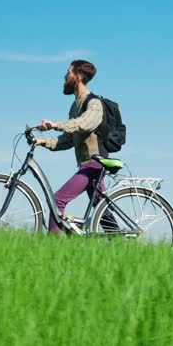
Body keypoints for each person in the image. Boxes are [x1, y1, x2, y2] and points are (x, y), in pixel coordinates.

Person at [35, 59, 108, 236]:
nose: (64, 77)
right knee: (104, 214)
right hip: (87, 165)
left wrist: (55, 125)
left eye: (68, 72)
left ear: (78, 77)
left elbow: (85, 124)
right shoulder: (75, 107)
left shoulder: (94, 103)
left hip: (94, 164)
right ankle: (122, 245)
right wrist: (43, 142)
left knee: (57, 200)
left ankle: (53, 249)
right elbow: (68, 139)